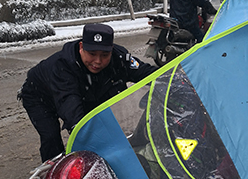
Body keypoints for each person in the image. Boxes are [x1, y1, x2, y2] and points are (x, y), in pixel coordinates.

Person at [19, 23, 157, 162]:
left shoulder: (120, 59)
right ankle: (51, 174)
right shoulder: (63, 67)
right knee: (51, 137)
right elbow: (74, 115)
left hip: (86, 91)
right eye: (92, 54)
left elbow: (148, 73)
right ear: (81, 48)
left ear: (112, 50)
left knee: (105, 128)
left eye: (104, 55)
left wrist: (176, 76)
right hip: (40, 96)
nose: (97, 61)